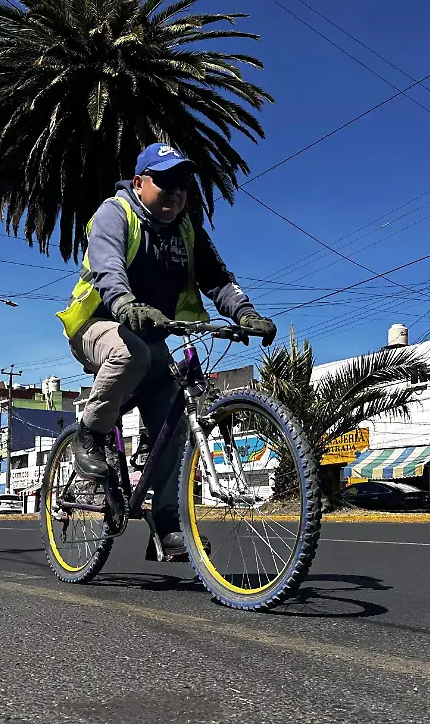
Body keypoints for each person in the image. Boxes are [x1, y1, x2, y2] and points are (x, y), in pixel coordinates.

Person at [56, 142, 277, 559]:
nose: (175, 191)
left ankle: (167, 524)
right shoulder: (115, 213)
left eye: (183, 184)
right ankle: (90, 434)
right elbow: (107, 266)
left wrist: (245, 313)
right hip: (96, 325)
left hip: (150, 337)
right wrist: (125, 304)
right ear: (139, 183)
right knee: (132, 354)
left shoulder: (188, 229)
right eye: (164, 181)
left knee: (173, 425)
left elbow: (217, 279)